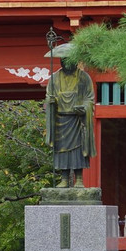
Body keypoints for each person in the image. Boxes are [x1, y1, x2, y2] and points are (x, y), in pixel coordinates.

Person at [44, 43, 96, 187]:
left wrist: (85, 108)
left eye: (70, 60)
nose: (67, 64)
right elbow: (48, 97)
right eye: (64, 61)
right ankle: (64, 179)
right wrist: (51, 101)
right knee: (61, 149)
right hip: (61, 119)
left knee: (78, 149)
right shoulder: (54, 78)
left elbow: (90, 98)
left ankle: (79, 179)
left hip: (78, 119)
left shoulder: (84, 77)